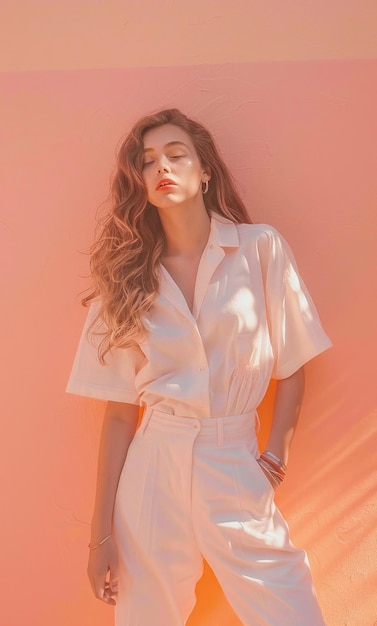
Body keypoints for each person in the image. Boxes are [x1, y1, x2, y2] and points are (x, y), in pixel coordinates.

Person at [66, 108, 332, 625]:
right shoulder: (125, 278)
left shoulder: (259, 249)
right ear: (138, 183)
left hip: (232, 457)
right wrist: (100, 536)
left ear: (205, 170)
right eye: (146, 162)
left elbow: (293, 365)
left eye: (175, 154)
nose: (161, 167)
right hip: (153, 466)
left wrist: (273, 458)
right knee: (147, 617)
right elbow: (119, 415)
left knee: (290, 609)